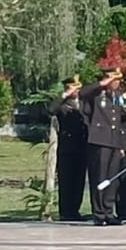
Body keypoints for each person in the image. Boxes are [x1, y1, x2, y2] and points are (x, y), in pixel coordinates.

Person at [80, 67, 126, 226]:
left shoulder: (116, 96)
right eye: (114, 80)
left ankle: (108, 211)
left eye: (118, 80)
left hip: (114, 140)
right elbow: (82, 93)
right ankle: (99, 213)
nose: (117, 83)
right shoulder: (95, 94)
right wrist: (102, 83)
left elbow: (119, 117)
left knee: (112, 178)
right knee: (99, 177)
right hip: (100, 140)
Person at [49, 76, 87, 221]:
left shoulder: (83, 103)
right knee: (66, 180)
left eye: (78, 88)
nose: (76, 91)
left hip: (82, 145)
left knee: (79, 180)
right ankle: (65, 211)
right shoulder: (62, 104)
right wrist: (64, 95)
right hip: (67, 146)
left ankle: (75, 210)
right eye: (73, 88)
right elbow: (50, 110)